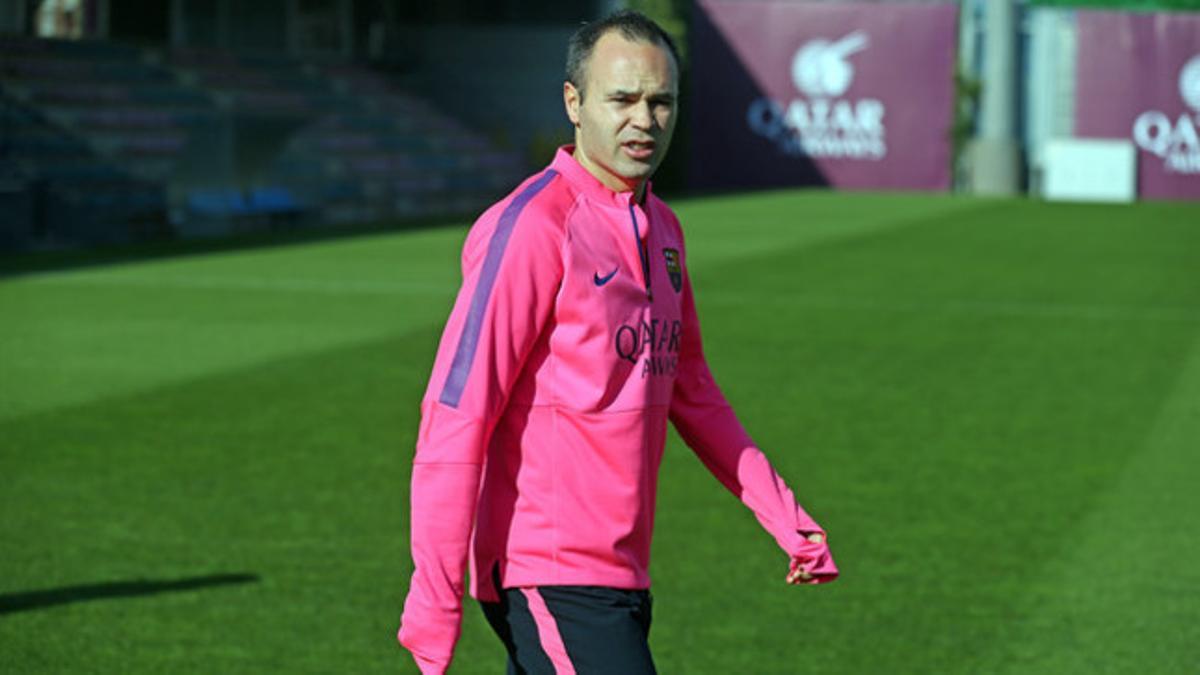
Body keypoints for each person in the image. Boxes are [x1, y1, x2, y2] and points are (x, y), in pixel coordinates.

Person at [398, 10, 838, 674]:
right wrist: (433, 601)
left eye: (662, 101)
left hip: (622, 574)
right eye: (623, 99)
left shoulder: (661, 229)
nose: (645, 119)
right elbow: (457, 412)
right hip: (546, 570)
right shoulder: (532, 228)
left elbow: (693, 390)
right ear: (574, 102)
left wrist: (786, 516)